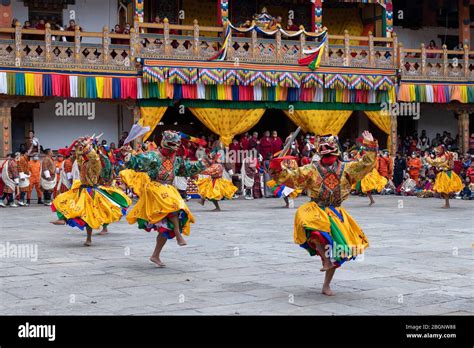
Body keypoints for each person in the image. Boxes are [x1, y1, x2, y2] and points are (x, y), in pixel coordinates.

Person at [270, 131, 377, 296]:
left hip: (335, 212)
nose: (327, 150)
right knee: (313, 228)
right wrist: (277, 167)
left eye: (330, 146)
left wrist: (369, 145)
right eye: (324, 147)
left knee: (337, 251)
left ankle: (326, 284)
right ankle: (325, 260)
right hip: (316, 209)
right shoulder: (311, 169)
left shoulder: (347, 168)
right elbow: (291, 178)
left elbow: (366, 165)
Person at [121, 131, 209, 266]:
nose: (175, 147)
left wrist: (204, 163)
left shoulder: (176, 160)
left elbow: (187, 169)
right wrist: (127, 155)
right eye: (172, 144)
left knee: (166, 227)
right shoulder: (154, 156)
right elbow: (138, 162)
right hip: (156, 188)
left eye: (177, 144)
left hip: (168, 189)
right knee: (174, 205)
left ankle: (155, 255)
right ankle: (179, 235)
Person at [51, 136, 131, 246]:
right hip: (81, 188)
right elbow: (78, 158)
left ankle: (89, 238)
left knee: (89, 214)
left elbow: (94, 157)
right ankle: (63, 219)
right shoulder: (83, 163)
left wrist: (86, 144)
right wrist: (78, 145)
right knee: (64, 200)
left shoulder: (95, 164)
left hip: (91, 190)